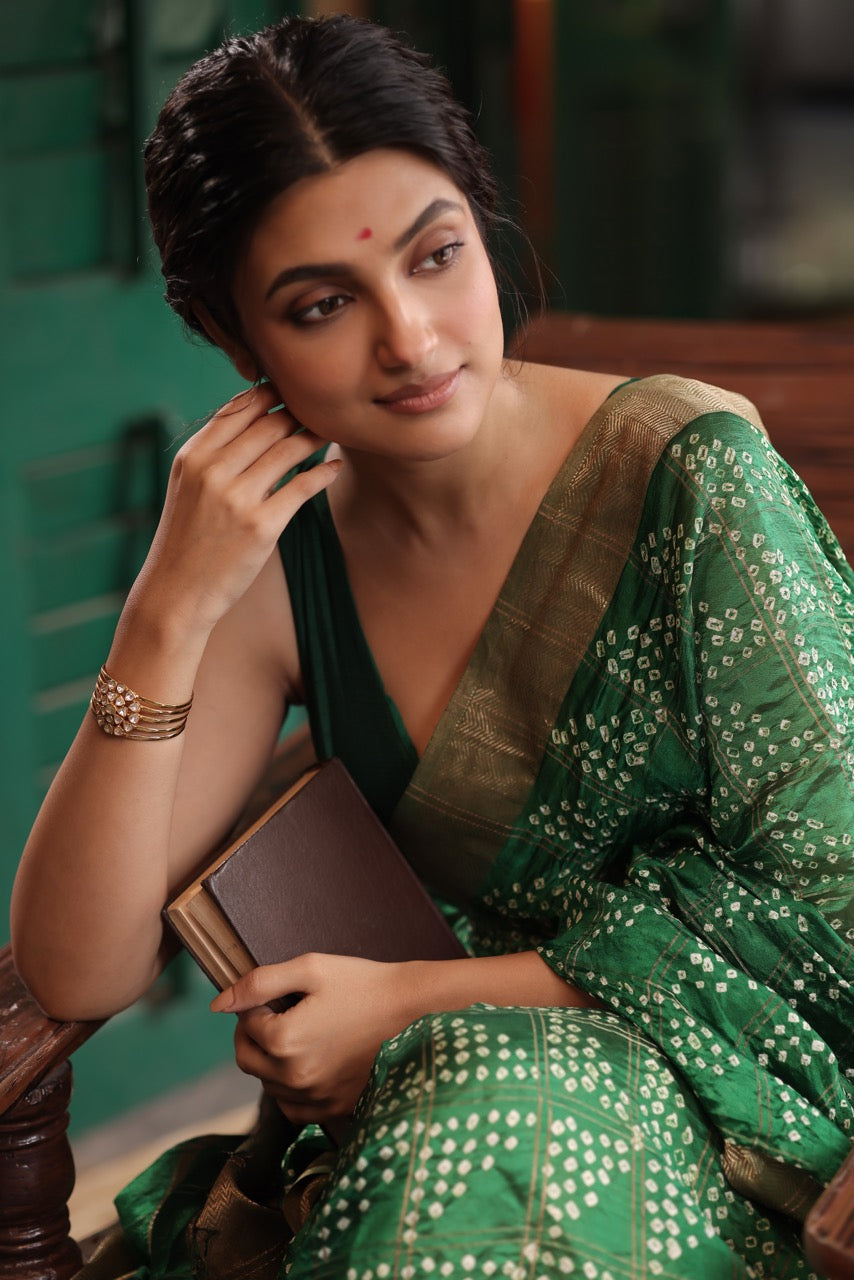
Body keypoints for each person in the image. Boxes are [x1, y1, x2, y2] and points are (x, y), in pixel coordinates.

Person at [10, 13, 853, 1280]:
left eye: (436, 255)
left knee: (505, 1116)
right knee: (483, 1126)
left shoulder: (688, 474)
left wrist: (408, 1002)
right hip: (423, 1123)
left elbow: (825, 898)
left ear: (480, 218)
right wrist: (165, 613)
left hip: (735, 1108)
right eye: (320, 304)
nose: (408, 338)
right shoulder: (282, 566)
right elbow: (81, 959)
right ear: (229, 339)